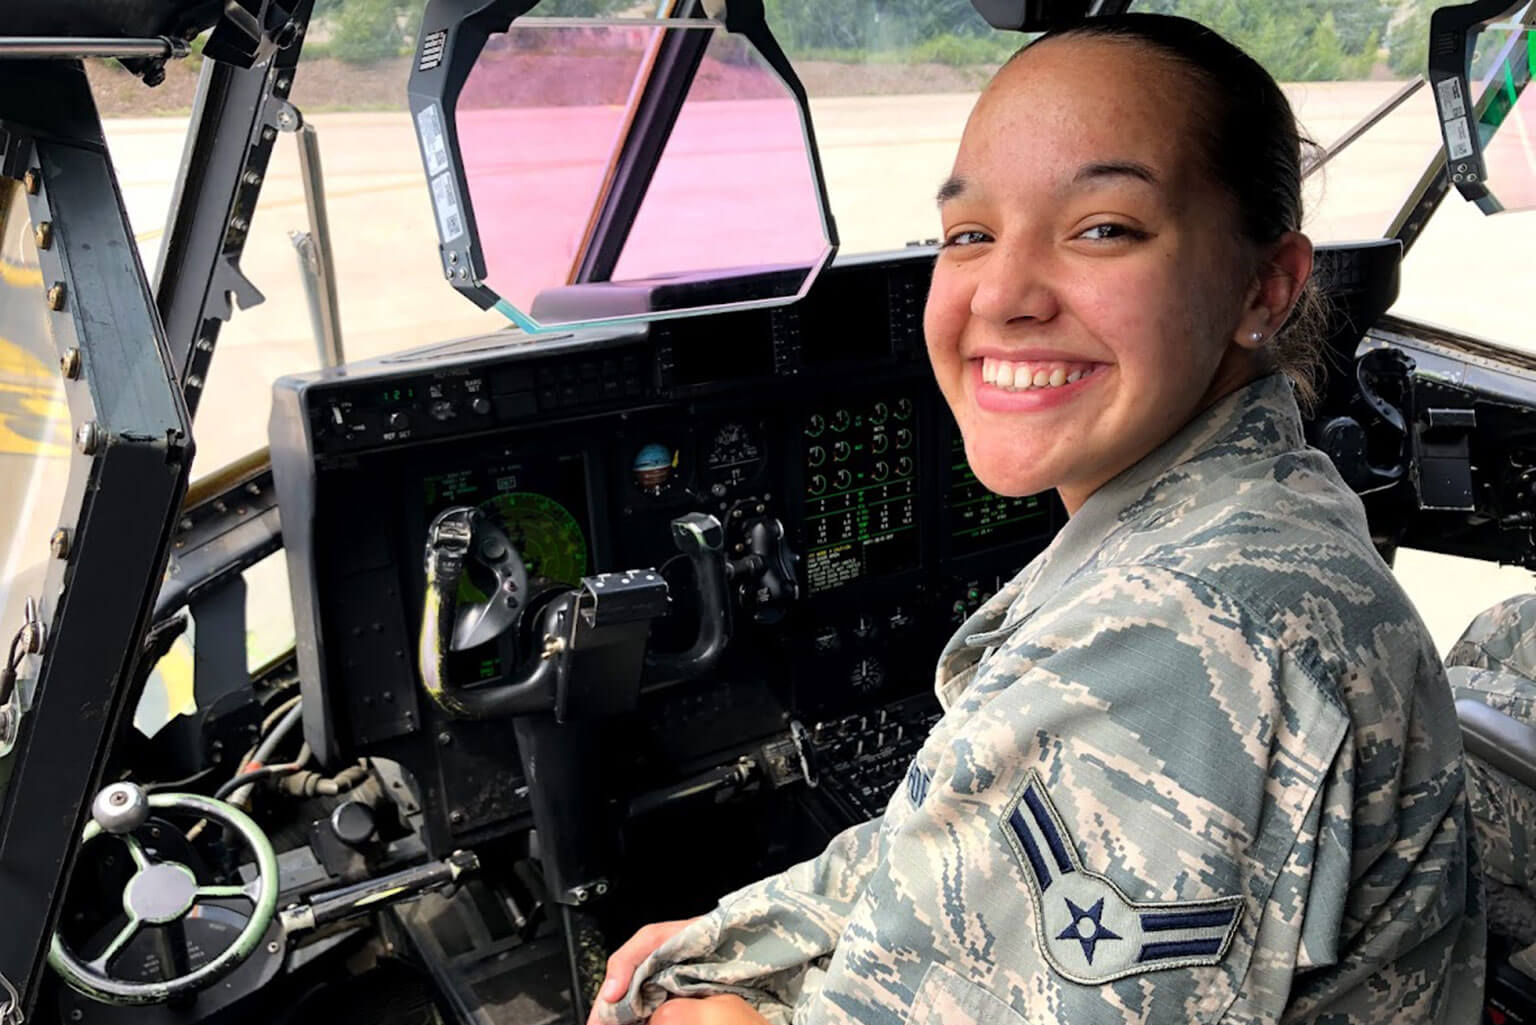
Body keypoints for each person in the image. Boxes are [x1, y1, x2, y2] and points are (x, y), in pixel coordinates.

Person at [590, 14, 1486, 1024]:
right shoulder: (1261, 497)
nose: (1002, 295)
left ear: (1264, 287)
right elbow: (951, 841)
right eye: (970, 234)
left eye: (1102, 228)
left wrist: (699, 1010)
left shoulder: (1183, 638)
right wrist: (745, 928)